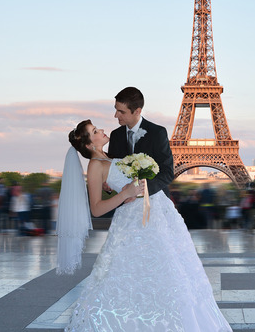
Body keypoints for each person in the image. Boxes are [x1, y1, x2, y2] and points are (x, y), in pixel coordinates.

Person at [59, 120, 231, 331]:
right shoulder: (95, 165)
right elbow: (96, 209)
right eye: (95, 131)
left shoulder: (108, 158)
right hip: (134, 223)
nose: (102, 130)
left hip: (158, 214)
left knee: (170, 273)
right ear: (89, 145)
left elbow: (118, 183)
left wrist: (128, 186)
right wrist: (124, 194)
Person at [106, 87, 174, 198]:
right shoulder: (115, 135)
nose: (116, 115)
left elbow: (167, 172)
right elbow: (113, 171)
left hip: (153, 200)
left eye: (121, 112)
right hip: (125, 201)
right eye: (116, 109)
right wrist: (108, 187)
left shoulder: (157, 133)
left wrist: (140, 190)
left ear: (137, 111)